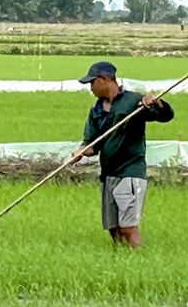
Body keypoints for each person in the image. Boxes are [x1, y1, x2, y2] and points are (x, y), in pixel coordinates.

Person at [71, 61, 174, 248]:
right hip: (108, 173)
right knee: (113, 228)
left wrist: (156, 103)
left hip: (130, 171)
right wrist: (80, 152)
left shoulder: (133, 101)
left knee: (128, 228)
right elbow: (92, 144)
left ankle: (139, 259)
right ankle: (121, 260)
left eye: (91, 83)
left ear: (103, 80)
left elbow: (165, 116)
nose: (90, 88)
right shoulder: (96, 110)